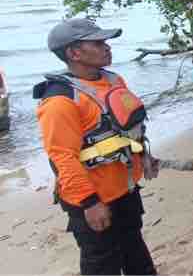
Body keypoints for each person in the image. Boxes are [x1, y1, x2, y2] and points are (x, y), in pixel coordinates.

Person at [34, 19, 158, 275]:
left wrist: (143, 155)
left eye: (106, 42)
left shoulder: (114, 80)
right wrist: (90, 203)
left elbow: (126, 128)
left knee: (138, 258)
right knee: (102, 266)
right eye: (98, 43)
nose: (107, 47)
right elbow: (61, 158)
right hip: (93, 200)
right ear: (74, 53)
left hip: (125, 190)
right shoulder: (60, 100)